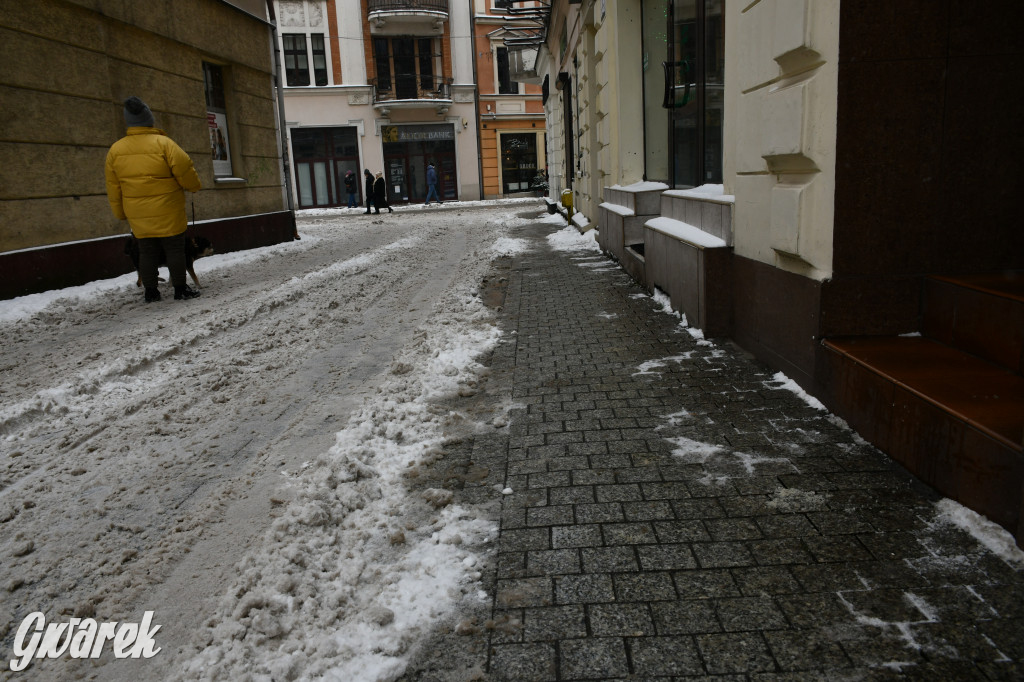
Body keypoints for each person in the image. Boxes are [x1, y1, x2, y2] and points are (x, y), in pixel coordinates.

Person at [105, 96, 202, 303]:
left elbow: (113, 186)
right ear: (149, 119)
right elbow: (185, 169)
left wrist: (120, 213)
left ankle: (151, 291)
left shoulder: (115, 150)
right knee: (175, 249)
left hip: (138, 213)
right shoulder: (164, 144)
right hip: (168, 209)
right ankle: (180, 289)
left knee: (146, 251)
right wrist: (194, 186)